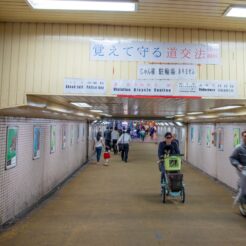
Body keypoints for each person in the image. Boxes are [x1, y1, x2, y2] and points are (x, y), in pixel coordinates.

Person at [229, 130, 246, 203]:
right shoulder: (238, 148)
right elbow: (232, 158)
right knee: (245, 177)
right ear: (242, 137)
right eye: (245, 136)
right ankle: (242, 197)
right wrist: (238, 164)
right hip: (242, 168)